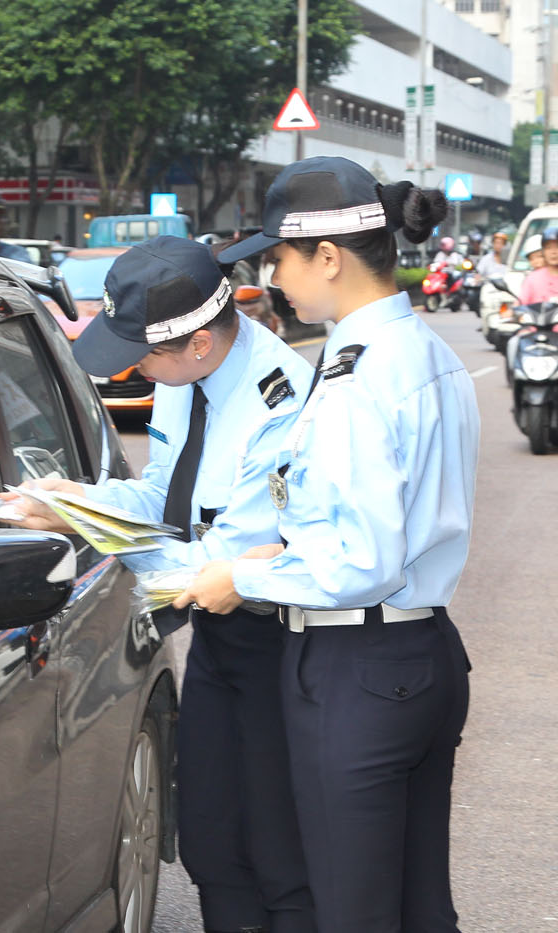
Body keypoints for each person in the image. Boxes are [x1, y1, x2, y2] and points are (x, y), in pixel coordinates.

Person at [180, 156, 478, 932]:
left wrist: (245, 579)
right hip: (425, 651)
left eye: (278, 258)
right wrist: (272, 562)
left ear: (327, 256)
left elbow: (359, 562)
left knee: (351, 911)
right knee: (420, 908)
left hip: (357, 668)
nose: (273, 280)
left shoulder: (354, 380)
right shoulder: (430, 353)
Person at [1, 237, 316, 933]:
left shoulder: (280, 405)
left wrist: (93, 529)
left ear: (198, 342)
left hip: (276, 643)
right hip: (218, 642)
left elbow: (212, 569)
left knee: (277, 852)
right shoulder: (184, 379)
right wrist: (83, 502)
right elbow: (166, 498)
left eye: (141, 355)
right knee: (208, 838)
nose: (132, 369)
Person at [519, 227, 558, 305]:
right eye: (548, 248)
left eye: (557, 247)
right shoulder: (532, 279)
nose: (553, 252)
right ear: (544, 251)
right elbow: (521, 304)